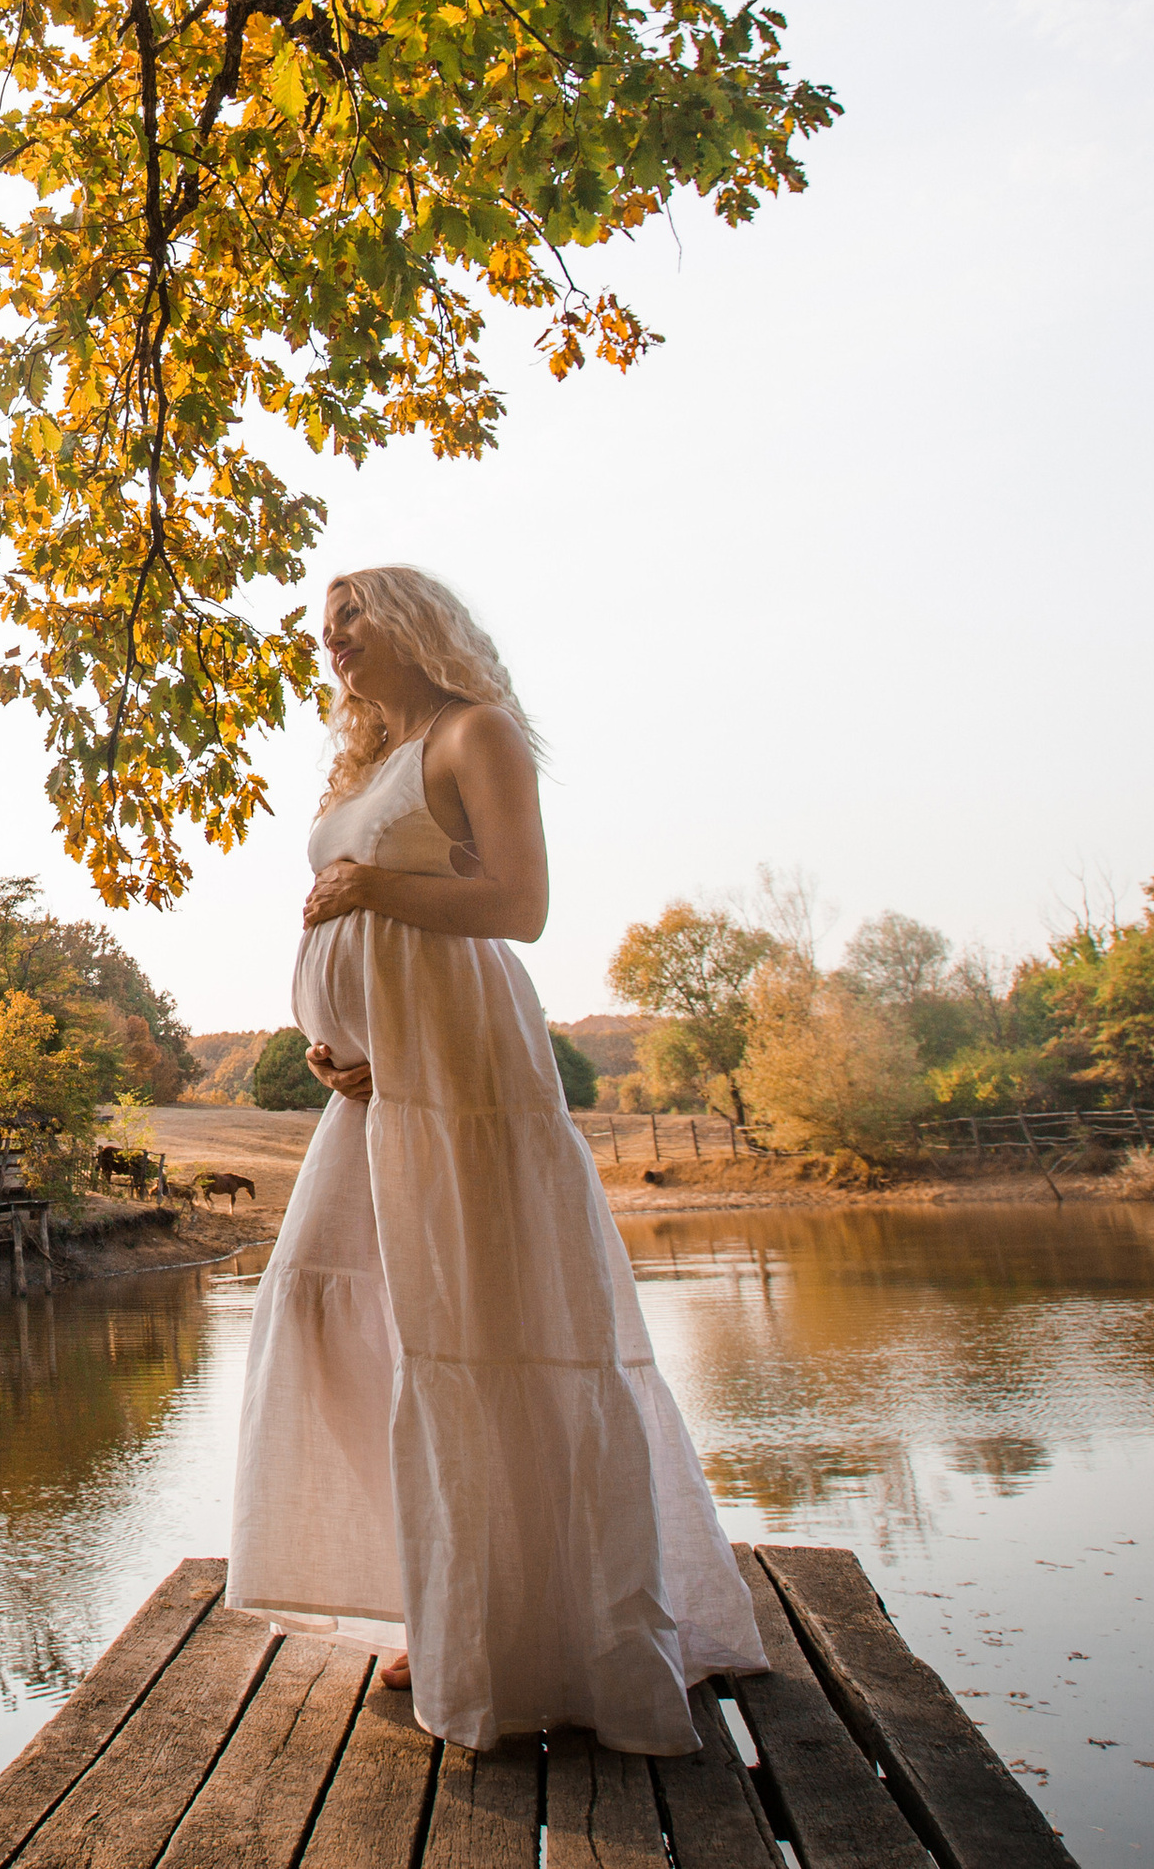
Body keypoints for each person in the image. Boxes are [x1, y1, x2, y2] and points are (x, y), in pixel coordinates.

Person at [225, 566, 763, 1753]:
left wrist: (370, 886)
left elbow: (519, 904)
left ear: (416, 622)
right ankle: (445, 1601)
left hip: (463, 1070)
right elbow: (357, 925)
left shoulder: (477, 732)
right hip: (380, 1084)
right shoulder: (368, 763)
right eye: (324, 627)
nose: (332, 640)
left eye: (352, 617)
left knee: (484, 1324)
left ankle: (532, 1637)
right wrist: (332, 1043)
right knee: (333, 1311)